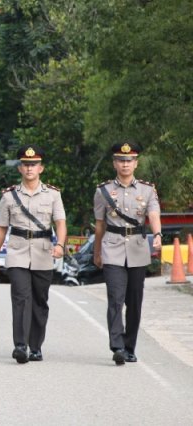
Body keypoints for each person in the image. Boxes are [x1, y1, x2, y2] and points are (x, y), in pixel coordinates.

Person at [0, 145, 66, 364]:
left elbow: (60, 223)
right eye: (25, 165)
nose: (30, 168)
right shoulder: (9, 196)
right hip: (17, 250)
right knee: (21, 297)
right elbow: (2, 228)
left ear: (41, 168)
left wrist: (59, 244)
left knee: (40, 301)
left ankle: (36, 346)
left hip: (43, 251)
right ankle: (20, 345)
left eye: (33, 165)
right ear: (20, 169)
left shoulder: (53, 194)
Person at [93, 142, 161, 365]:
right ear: (114, 163)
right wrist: (97, 253)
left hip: (137, 249)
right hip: (112, 248)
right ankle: (117, 346)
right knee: (115, 298)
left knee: (134, 300)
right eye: (121, 160)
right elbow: (100, 225)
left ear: (136, 163)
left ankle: (130, 346)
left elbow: (153, 214)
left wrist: (158, 235)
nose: (125, 164)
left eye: (129, 160)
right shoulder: (102, 191)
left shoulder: (147, 190)